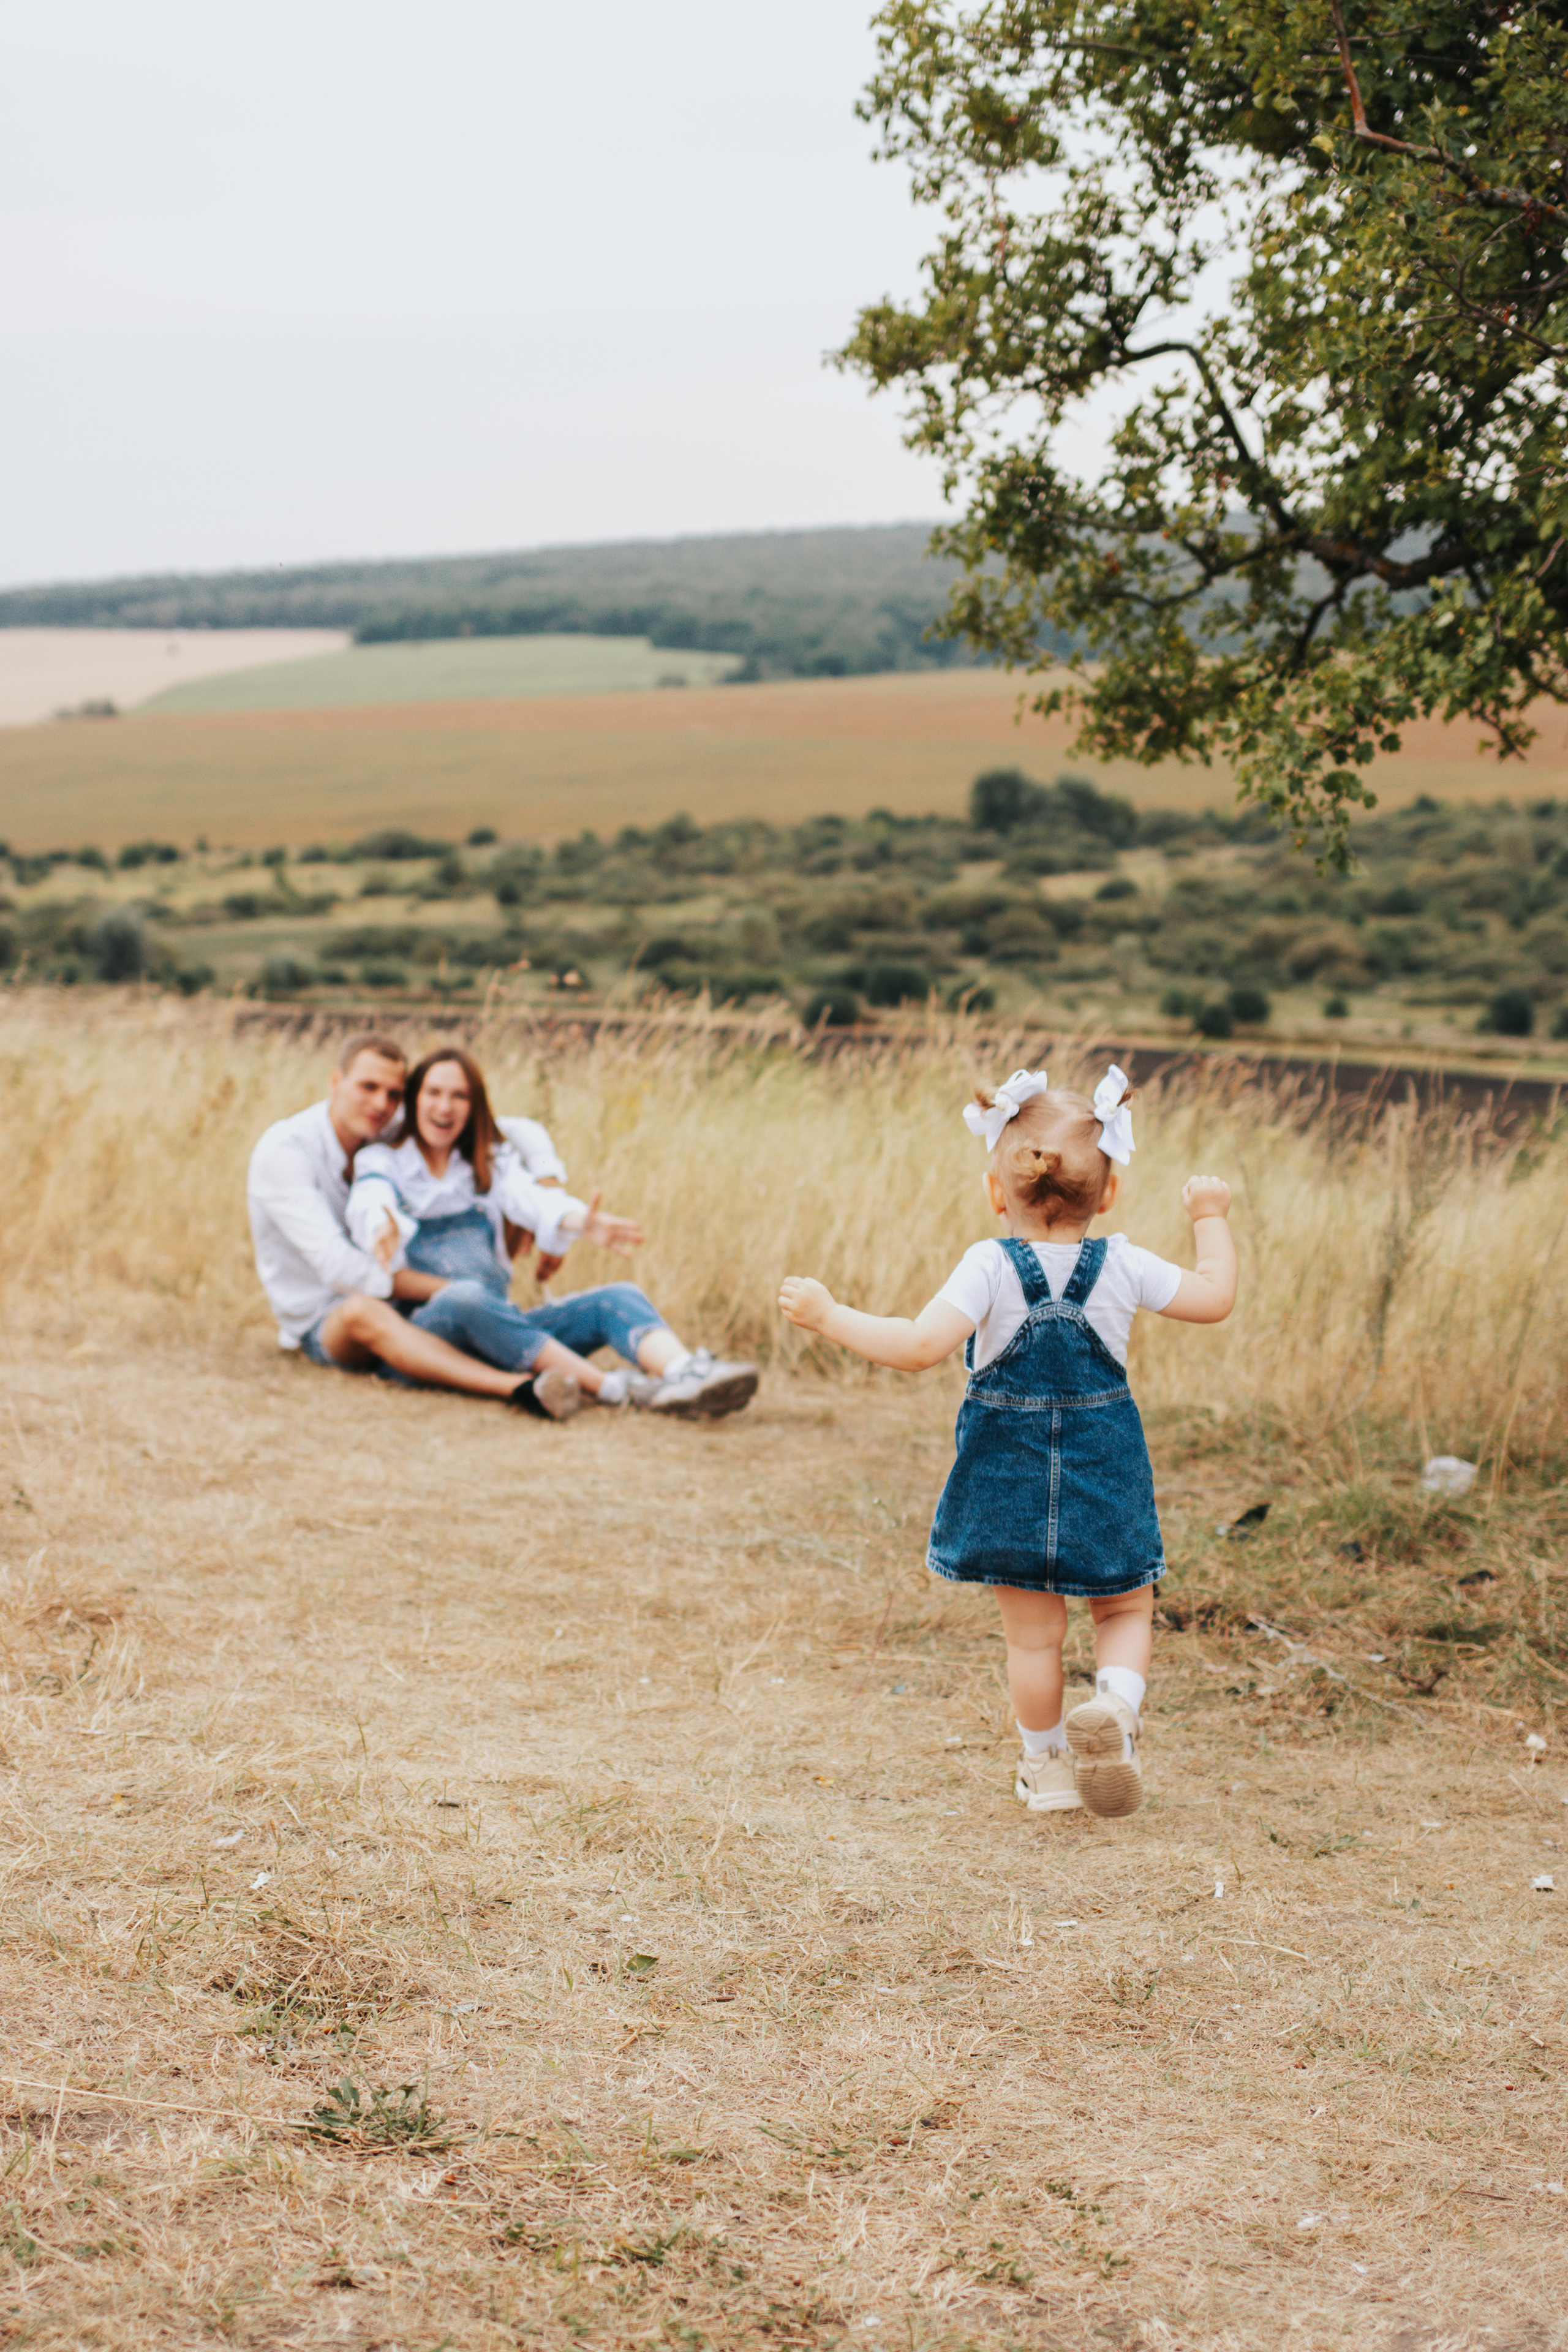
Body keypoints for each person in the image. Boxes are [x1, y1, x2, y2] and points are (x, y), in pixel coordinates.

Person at [778, 1066, 1236, 1820]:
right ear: (1109, 1192)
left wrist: (831, 1316)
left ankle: (1047, 1766)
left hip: (1006, 1478)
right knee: (1124, 1609)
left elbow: (918, 1344)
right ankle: (1116, 1711)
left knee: (1033, 1641)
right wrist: (1209, 1215)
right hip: (1103, 1471)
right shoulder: (1122, 1263)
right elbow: (1214, 1298)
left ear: (999, 1193)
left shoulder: (988, 1266)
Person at [345, 1046, 759, 1418]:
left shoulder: (491, 1163)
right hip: (432, 1339)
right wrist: (383, 1226)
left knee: (617, 1297)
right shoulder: (383, 1160)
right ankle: (618, 1390)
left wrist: (581, 1221)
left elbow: (532, 1199)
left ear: (475, 1106)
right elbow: (370, 1198)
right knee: (465, 1295)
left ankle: (686, 1374)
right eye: (433, 1093)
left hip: (503, 1331)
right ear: (415, 1099)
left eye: (459, 1096)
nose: (445, 1106)